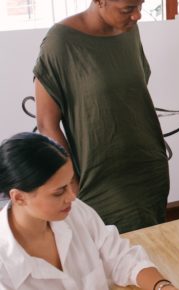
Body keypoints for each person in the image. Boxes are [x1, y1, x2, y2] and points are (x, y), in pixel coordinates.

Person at [33, 0, 169, 233]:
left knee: (152, 251)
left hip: (149, 167)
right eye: (128, 9)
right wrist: (71, 182)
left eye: (141, 5)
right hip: (100, 178)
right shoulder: (60, 42)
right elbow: (47, 124)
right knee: (113, 256)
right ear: (100, 1)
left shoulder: (129, 30)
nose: (137, 15)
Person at [0, 132, 179, 290]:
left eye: (70, 183)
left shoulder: (74, 212)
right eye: (59, 191)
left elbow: (120, 257)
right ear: (18, 197)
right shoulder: (4, 266)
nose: (71, 196)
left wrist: (163, 287)